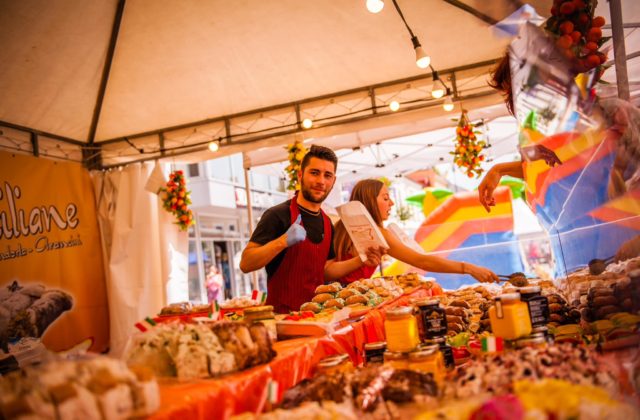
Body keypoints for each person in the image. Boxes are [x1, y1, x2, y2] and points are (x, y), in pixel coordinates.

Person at [239, 145, 384, 313]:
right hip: (284, 319)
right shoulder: (278, 215)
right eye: (314, 173)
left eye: (327, 175)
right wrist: (282, 242)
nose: (321, 181)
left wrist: (360, 260)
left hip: (319, 317)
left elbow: (326, 271)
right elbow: (246, 263)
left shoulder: (327, 222)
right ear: (301, 175)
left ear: (333, 181)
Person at [334, 179, 500, 284]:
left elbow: (327, 271)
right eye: (385, 198)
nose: (391, 203)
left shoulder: (340, 229)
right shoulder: (378, 233)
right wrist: (468, 268)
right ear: (370, 201)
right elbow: (422, 261)